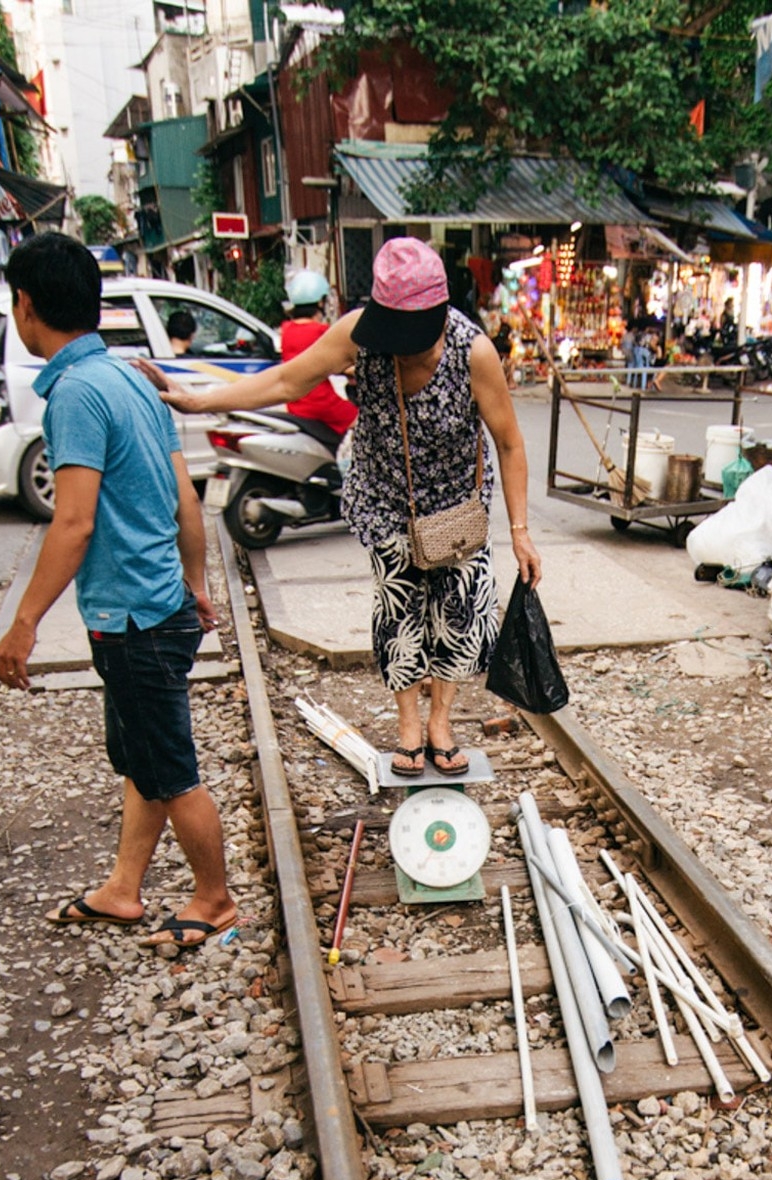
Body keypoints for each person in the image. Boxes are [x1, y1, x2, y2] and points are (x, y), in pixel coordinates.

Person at [137, 236, 542, 777]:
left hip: (456, 509)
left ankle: (441, 723)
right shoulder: (359, 335)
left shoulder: (474, 352)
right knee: (399, 611)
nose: (399, 348)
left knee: (458, 615)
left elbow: (510, 443)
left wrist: (519, 529)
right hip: (385, 497)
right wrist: (199, 400)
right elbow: (285, 379)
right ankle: (407, 728)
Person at [0, 233, 237, 949]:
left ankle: (215, 899)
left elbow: (72, 522)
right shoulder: (131, 378)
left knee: (172, 768)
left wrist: (24, 622)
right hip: (157, 604)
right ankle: (124, 890)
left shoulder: (74, 394)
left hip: (131, 618)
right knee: (142, 759)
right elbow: (184, 501)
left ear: (27, 306)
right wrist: (194, 584)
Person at [280, 269, 358, 439]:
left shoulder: (287, 331)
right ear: (321, 303)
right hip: (321, 403)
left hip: (297, 405)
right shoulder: (321, 332)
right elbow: (343, 363)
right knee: (363, 422)